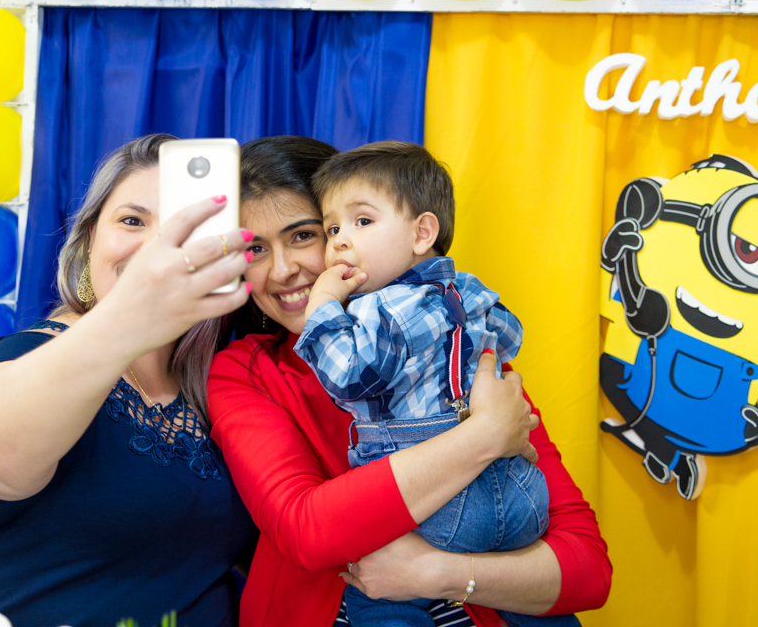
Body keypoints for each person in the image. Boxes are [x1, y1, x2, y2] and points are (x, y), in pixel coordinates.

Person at [206, 136, 612, 627]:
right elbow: (308, 530)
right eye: (255, 249)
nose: (284, 269)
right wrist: (484, 437)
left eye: (304, 236)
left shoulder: (451, 340)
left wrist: (437, 573)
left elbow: (587, 570)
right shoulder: (246, 372)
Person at [0, 135, 259, 627]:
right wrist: (129, 315)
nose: (155, 249)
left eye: (180, 229)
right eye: (132, 221)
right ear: (87, 245)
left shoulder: (214, 390)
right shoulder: (28, 357)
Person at [295, 141, 549, 627]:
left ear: (422, 233)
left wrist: (325, 303)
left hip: (439, 508)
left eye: (362, 221)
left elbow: (348, 378)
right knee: (528, 608)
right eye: (332, 229)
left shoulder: (380, 307)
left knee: (379, 595)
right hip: (522, 493)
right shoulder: (468, 289)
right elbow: (510, 336)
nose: (341, 241)